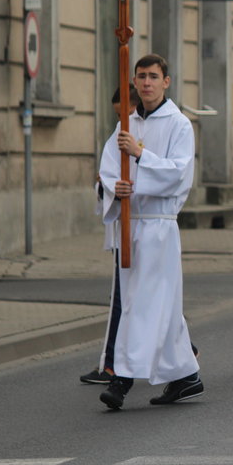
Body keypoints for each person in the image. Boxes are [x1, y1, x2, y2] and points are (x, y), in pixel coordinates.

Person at [97, 54, 203, 409]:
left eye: (153, 76)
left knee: (142, 305)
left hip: (158, 226)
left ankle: (122, 380)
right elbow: (108, 167)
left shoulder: (179, 125)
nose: (146, 82)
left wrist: (141, 156)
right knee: (159, 306)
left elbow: (178, 175)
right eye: (141, 76)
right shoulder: (126, 122)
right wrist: (115, 189)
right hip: (130, 224)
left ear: (166, 81)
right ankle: (185, 376)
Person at [80, 84, 139, 385]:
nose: (123, 118)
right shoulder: (119, 132)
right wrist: (106, 187)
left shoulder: (156, 129)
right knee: (135, 296)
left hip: (149, 226)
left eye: (127, 111)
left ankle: (112, 365)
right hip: (126, 226)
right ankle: (186, 351)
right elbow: (108, 176)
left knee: (131, 298)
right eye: (118, 113)